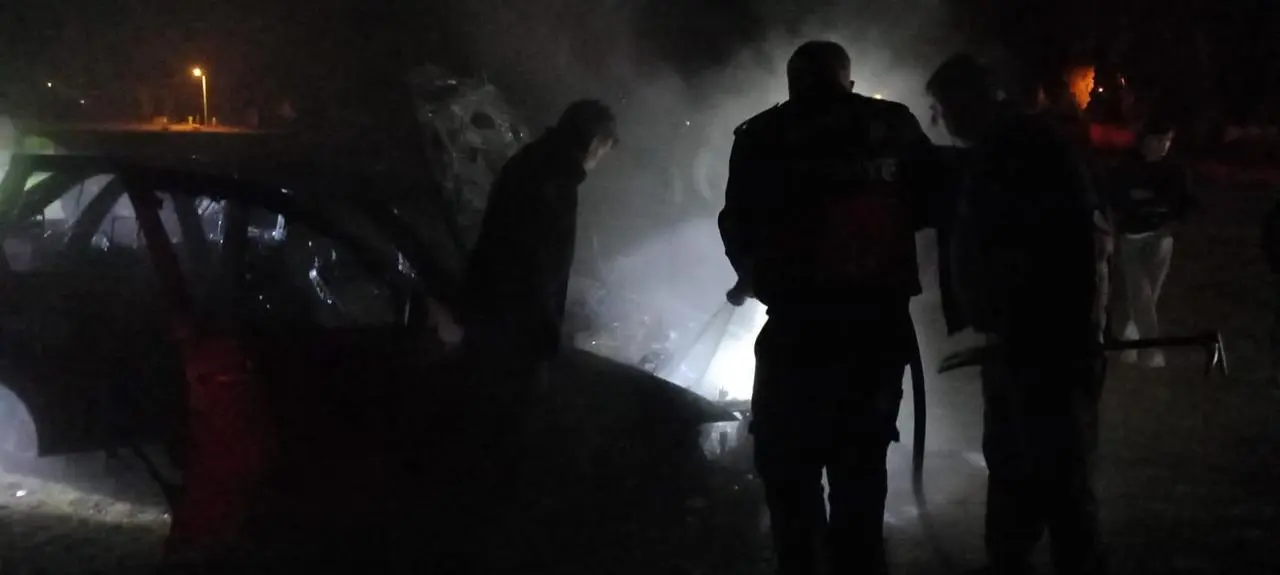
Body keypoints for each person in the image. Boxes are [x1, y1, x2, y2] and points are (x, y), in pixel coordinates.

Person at [719, 40, 933, 575]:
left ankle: (803, 562)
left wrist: (757, 276)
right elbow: (931, 202)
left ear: (792, 83)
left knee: (788, 468)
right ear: (849, 82)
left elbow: (736, 224)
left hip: (798, 332)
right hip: (875, 332)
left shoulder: (762, 135)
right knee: (859, 469)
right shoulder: (891, 125)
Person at [925, 54, 1109, 575]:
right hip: (1014, 339)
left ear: (972, 100)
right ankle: (1008, 561)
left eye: (943, 108)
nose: (941, 120)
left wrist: (1055, 330)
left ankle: (1075, 564)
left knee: (1059, 470)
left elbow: (1076, 247)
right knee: (1011, 462)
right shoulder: (996, 150)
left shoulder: (1028, 149)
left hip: (1048, 343)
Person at [1109, 120, 1193, 367]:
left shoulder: (1174, 170)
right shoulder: (1128, 166)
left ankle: (1131, 340)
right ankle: (1149, 350)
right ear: (1146, 140)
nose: (1164, 145)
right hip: (1132, 237)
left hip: (1160, 236)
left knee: (1148, 293)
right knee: (1141, 292)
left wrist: (1172, 220)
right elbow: (1117, 197)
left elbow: (1184, 203)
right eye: (1159, 140)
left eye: (1168, 140)